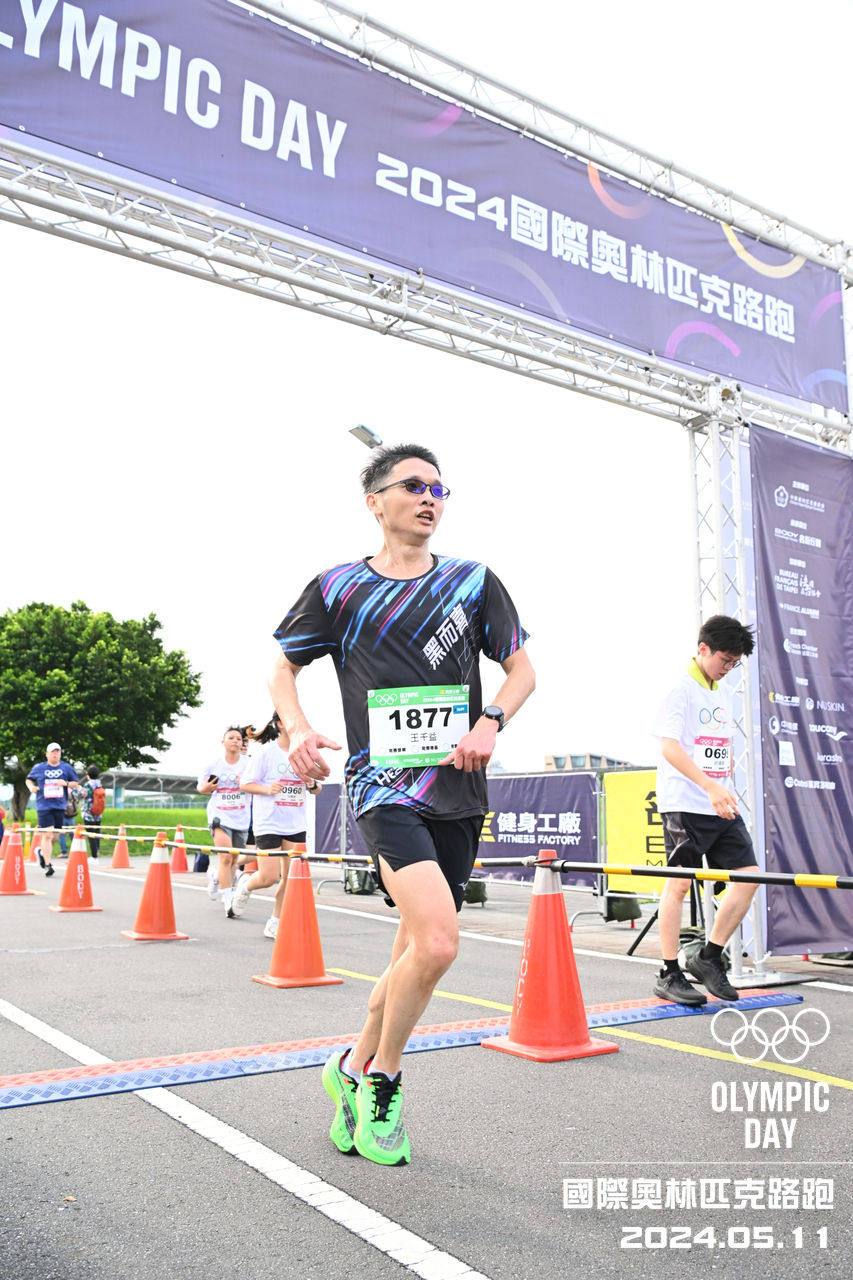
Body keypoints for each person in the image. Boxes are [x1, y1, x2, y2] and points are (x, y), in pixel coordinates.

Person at [271, 443, 534, 1166]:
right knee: (440, 943)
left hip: (457, 788)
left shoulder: (472, 582)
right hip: (381, 787)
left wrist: (491, 721)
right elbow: (282, 668)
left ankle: (350, 1064)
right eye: (413, 485)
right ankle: (382, 1079)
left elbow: (521, 670)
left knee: (417, 944)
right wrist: (296, 729)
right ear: (374, 501)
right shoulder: (338, 588)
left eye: (439, 489)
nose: (429, 498)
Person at [651, 615, 758, 1007]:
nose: (728, 668)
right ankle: (669, 972)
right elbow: (670, 747)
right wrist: (709, 786)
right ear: (703, 649)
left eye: (734, 663)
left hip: (719, 803)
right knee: (679, 884)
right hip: (685, 803)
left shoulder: (722, 692)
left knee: (749, 877)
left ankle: (709, 957)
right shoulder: (680, 690)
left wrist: (721, 786)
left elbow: (718, 747)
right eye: (724, 660)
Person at [232, 713, 320, 937]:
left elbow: (317, 788)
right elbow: (245, 784)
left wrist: (311, 784)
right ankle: (246, 885)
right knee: (268, 878)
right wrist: (267, 789)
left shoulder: (305, 754)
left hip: (295, 823)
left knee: (290, 878)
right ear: (279, 724)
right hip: (269, 822)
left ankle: (275, 920)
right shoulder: (266, 753)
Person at [197, 727, 252, 917]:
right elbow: (201, 788)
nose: (235, 740)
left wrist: (246, 783)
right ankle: (228, 899)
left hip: (241, 817)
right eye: (231, 737)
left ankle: (215, 876)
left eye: (239, 738)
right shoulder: (214, 764)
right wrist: (206, 787)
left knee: (234, 860)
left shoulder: (249, 764)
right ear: (223, 742)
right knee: (226, 857)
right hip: (219, 815)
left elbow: (258, 785)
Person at [25, 743, 83, 876]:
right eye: (52, 752)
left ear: (60, 754)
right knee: (47, 834)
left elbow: (75, 783)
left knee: (55, 837)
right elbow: (28, 780)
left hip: (60, 806)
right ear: (47, 754)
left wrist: (66, 783)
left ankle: (41, 852)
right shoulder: (39, 767)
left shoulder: (66, 768)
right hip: (43, 806)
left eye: (57, 752)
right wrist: (31, 787)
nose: (55, 754)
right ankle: (48, 865)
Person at [80, 765, 104, 859]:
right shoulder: (99, 784)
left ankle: (94, 856)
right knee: (97, 833)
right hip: (98, 812)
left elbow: (81, 795)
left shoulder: (88, 785)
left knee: (91, 834)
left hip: (89, 813)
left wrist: (77, 789)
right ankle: (97, 851)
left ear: (88, 775)